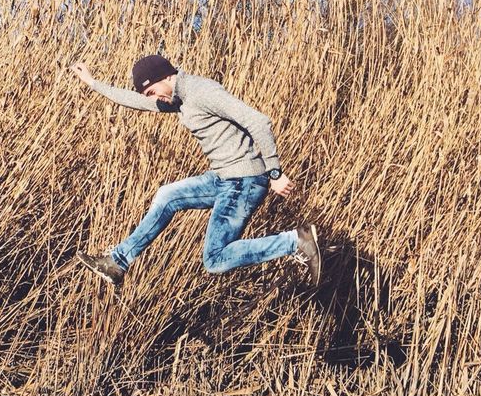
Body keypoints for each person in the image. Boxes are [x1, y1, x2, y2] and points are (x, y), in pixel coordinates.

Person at [68, 54, 321, 288]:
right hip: (224, 178)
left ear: (166, 77)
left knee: (215, 259)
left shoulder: (202, 92)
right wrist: (93, 82)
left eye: (152, 91)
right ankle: (117, 262)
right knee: (167, 195)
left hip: (244, 181)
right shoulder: (178, 98)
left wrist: (275, 172)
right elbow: (137, 102)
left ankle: (296, 242)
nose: (153, 98)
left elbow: (258, 121)